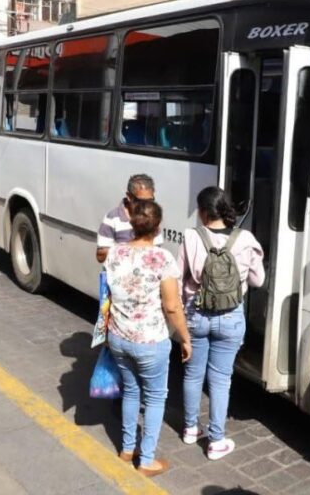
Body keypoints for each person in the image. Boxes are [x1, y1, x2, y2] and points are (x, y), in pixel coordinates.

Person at [103, 200, 192, 477]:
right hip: (150, 342)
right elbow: (172, 306)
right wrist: (185, 338)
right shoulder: (162, 259)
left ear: (132, 224)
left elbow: (107, 292)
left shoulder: (114, 253)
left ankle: (127, 449)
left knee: (130, 391)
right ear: (158, 227)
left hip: (118, 337)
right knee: (155, 398)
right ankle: (147, 460)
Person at [176, 186, 264, 460]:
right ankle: (216, 440)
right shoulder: (245, 238)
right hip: (230, 318)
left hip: (196, 315)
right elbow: (258, 281)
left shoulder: (191, 236)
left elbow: (178, 280)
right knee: (220, 380)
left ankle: (191, 428)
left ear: (203, 212)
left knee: (192, 374)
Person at [96, 174, 162, 263]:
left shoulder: (152, 217)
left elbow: (157, 250)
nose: (146, 206)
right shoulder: (113, 218)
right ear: (129, 196)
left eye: (150, 201)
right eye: (141, 201)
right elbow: (100, 256)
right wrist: (127, 251)